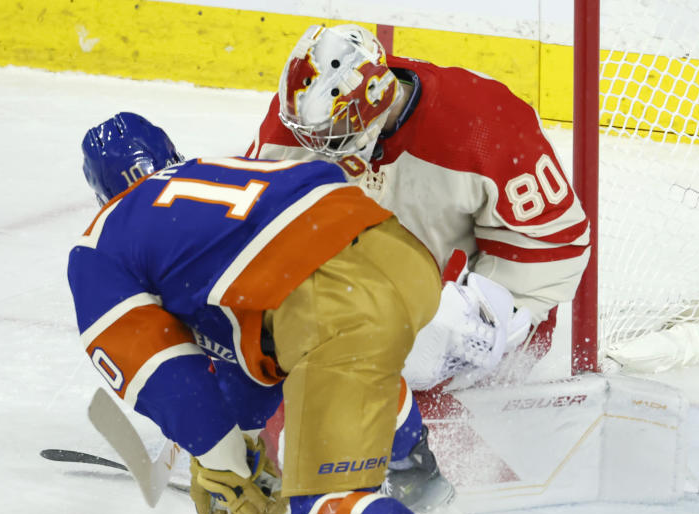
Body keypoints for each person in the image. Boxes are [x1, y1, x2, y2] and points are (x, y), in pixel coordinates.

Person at [68, 111, 502, 514]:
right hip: (399, 255)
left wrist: (219, 453)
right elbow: (246, 335)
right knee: (357, 359)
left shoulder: (103, 242)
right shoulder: (219, 170)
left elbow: (152, 362)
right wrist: (255, 449)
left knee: (316, 511)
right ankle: (416, 474)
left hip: (331, 296)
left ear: (101, 191)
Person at [246, 24, 590, 391]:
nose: (318, 145)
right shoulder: (310, 117)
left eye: (337, 130)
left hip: (468, 307)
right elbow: (257, 220)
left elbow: (556, 241)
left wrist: (488, 316)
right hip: (365, 303)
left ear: (379, 97)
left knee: (419, 357)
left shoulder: (486, 125)